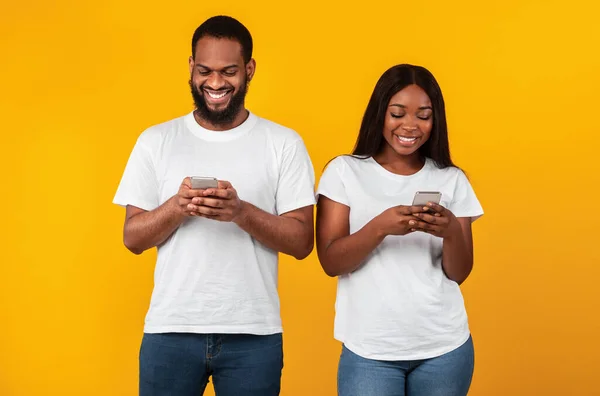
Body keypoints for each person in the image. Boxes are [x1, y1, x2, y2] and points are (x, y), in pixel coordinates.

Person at [112, 15, 316, 396]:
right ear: (191, 67)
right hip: (171, 330)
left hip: (254, 333)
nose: (216, 83)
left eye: (229, 71)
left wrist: (241, 212)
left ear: (250, 70)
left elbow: (303, 242)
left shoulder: (283, 143)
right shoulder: (156, 140)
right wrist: (177, 206)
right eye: (205, 70)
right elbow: (132, 238)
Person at [315, 64, 484, 396]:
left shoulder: (451, 179)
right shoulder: (344, 172)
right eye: (397, 113)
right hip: (370, 351)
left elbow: (460, 273)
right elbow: (331, 262)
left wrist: (450, 230)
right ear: (380, 114)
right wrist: (380, 227)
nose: (410, 125)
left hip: (445, 347)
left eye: (423, 115)